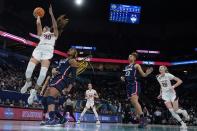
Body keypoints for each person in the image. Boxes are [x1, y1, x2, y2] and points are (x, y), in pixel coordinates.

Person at [20, 5, 58, 105]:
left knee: (42, 75)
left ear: (49, 29)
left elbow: (55, 25)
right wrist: (38, 16)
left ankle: (34, 92)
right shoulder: (41, 34)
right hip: (38, 50)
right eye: (44, 27)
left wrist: (51, 14)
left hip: (48, 53)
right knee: (28, 70)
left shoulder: (54, 35)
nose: (45, 27)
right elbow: (38, 25)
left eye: (47, 27)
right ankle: (28, 82)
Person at [44, 48, 78, 126]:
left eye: (72, 50)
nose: (70, 50)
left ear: (74, 53)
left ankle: (53, 119)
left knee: (50, 98)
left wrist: (69, 88)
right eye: (69, 49)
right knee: (46, 100)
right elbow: (58, 69)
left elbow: (73, 77)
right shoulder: (63, 60)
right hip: (56, 78)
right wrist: (54, 70)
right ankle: (61, 118)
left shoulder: (73, 61)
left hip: (61, 79)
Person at [121, 52, 153, 128]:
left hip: (134, 84)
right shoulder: (126, 67)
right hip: (128, 86)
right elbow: (126, 78)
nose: (129, 57)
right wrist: (123, 79)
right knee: (134, 103)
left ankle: (143, 120)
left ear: (134, 58)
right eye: (129, 56)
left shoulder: (136, 65)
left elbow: (143, 75)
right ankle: (141, 120)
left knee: (135, 101)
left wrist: (147, 73)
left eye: (131, 56)